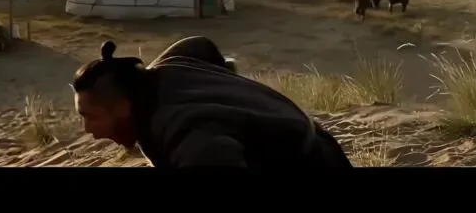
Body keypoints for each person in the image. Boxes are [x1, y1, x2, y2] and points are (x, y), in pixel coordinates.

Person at [71, 39, 353, 167]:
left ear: (122, 106)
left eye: (90, 116)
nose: (88, 129)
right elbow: (198, 45)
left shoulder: (188, 133)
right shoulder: (161, 73)